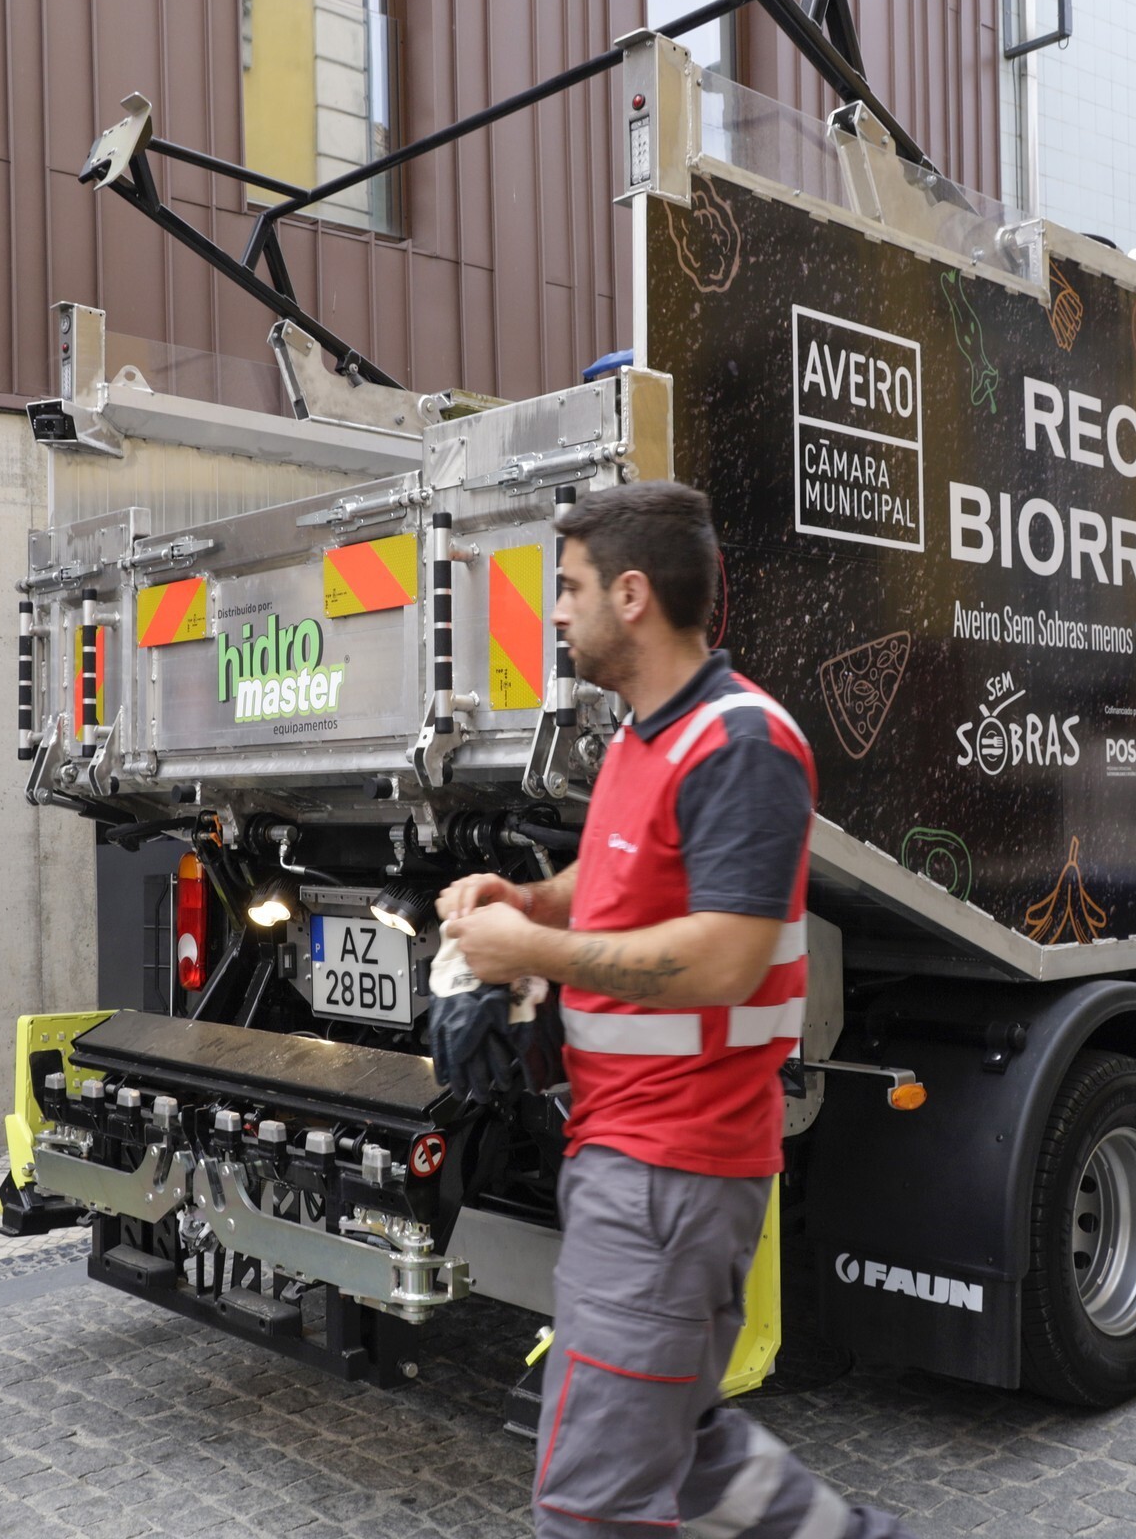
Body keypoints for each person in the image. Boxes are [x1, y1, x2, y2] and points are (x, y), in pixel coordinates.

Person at [438, 485, 914, 1539]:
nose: (554, 612)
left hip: (671, 1172)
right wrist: (524, 899)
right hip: (641, 1164)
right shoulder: (643, 742)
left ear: (634, 594)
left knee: (590, 1502)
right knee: (687, 1452)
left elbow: (726, 956)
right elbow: (611, 879)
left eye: (567, 589)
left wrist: (534, 951)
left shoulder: (743, 743)